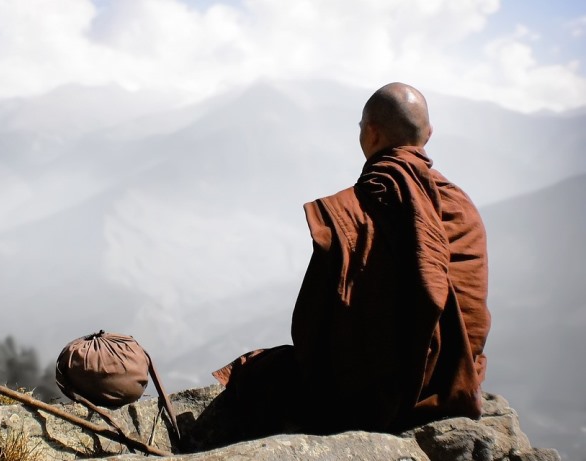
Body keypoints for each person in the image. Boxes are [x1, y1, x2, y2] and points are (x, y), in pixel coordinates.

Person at [210, 82, 491, 441]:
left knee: (259, 374)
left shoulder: (360, 207)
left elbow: (315, 324)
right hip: (455, 378)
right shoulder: (461, 205)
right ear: (428, 135)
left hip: (380, 394)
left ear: (371, 133)